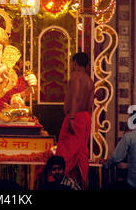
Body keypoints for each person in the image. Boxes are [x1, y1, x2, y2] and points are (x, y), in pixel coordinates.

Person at [56, 52, 94, 189]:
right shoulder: (90, 81)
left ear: (75, 63)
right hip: (85, 118)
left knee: (66, 152)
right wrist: (86, 121)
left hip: (75, 117)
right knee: (80, 152)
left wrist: (72, 117)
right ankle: (79, 184)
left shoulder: (76, 76)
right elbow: (90, 105)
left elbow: (76, 97)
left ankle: (60, 184)